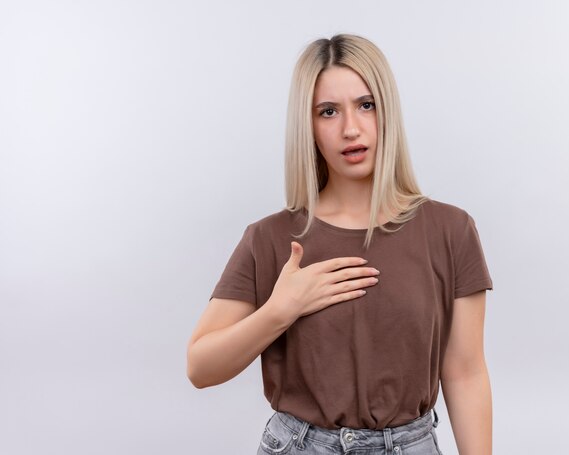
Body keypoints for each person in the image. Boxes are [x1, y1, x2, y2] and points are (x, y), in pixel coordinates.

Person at [187, 33, 494, 455]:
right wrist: (280, 311)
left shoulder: (450, 230)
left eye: (366, 105)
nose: (351, 128)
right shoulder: (270, 239)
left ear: (387, 110)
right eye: (328, 111)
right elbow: (200, 367)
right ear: (308, 126)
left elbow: (465, 373)